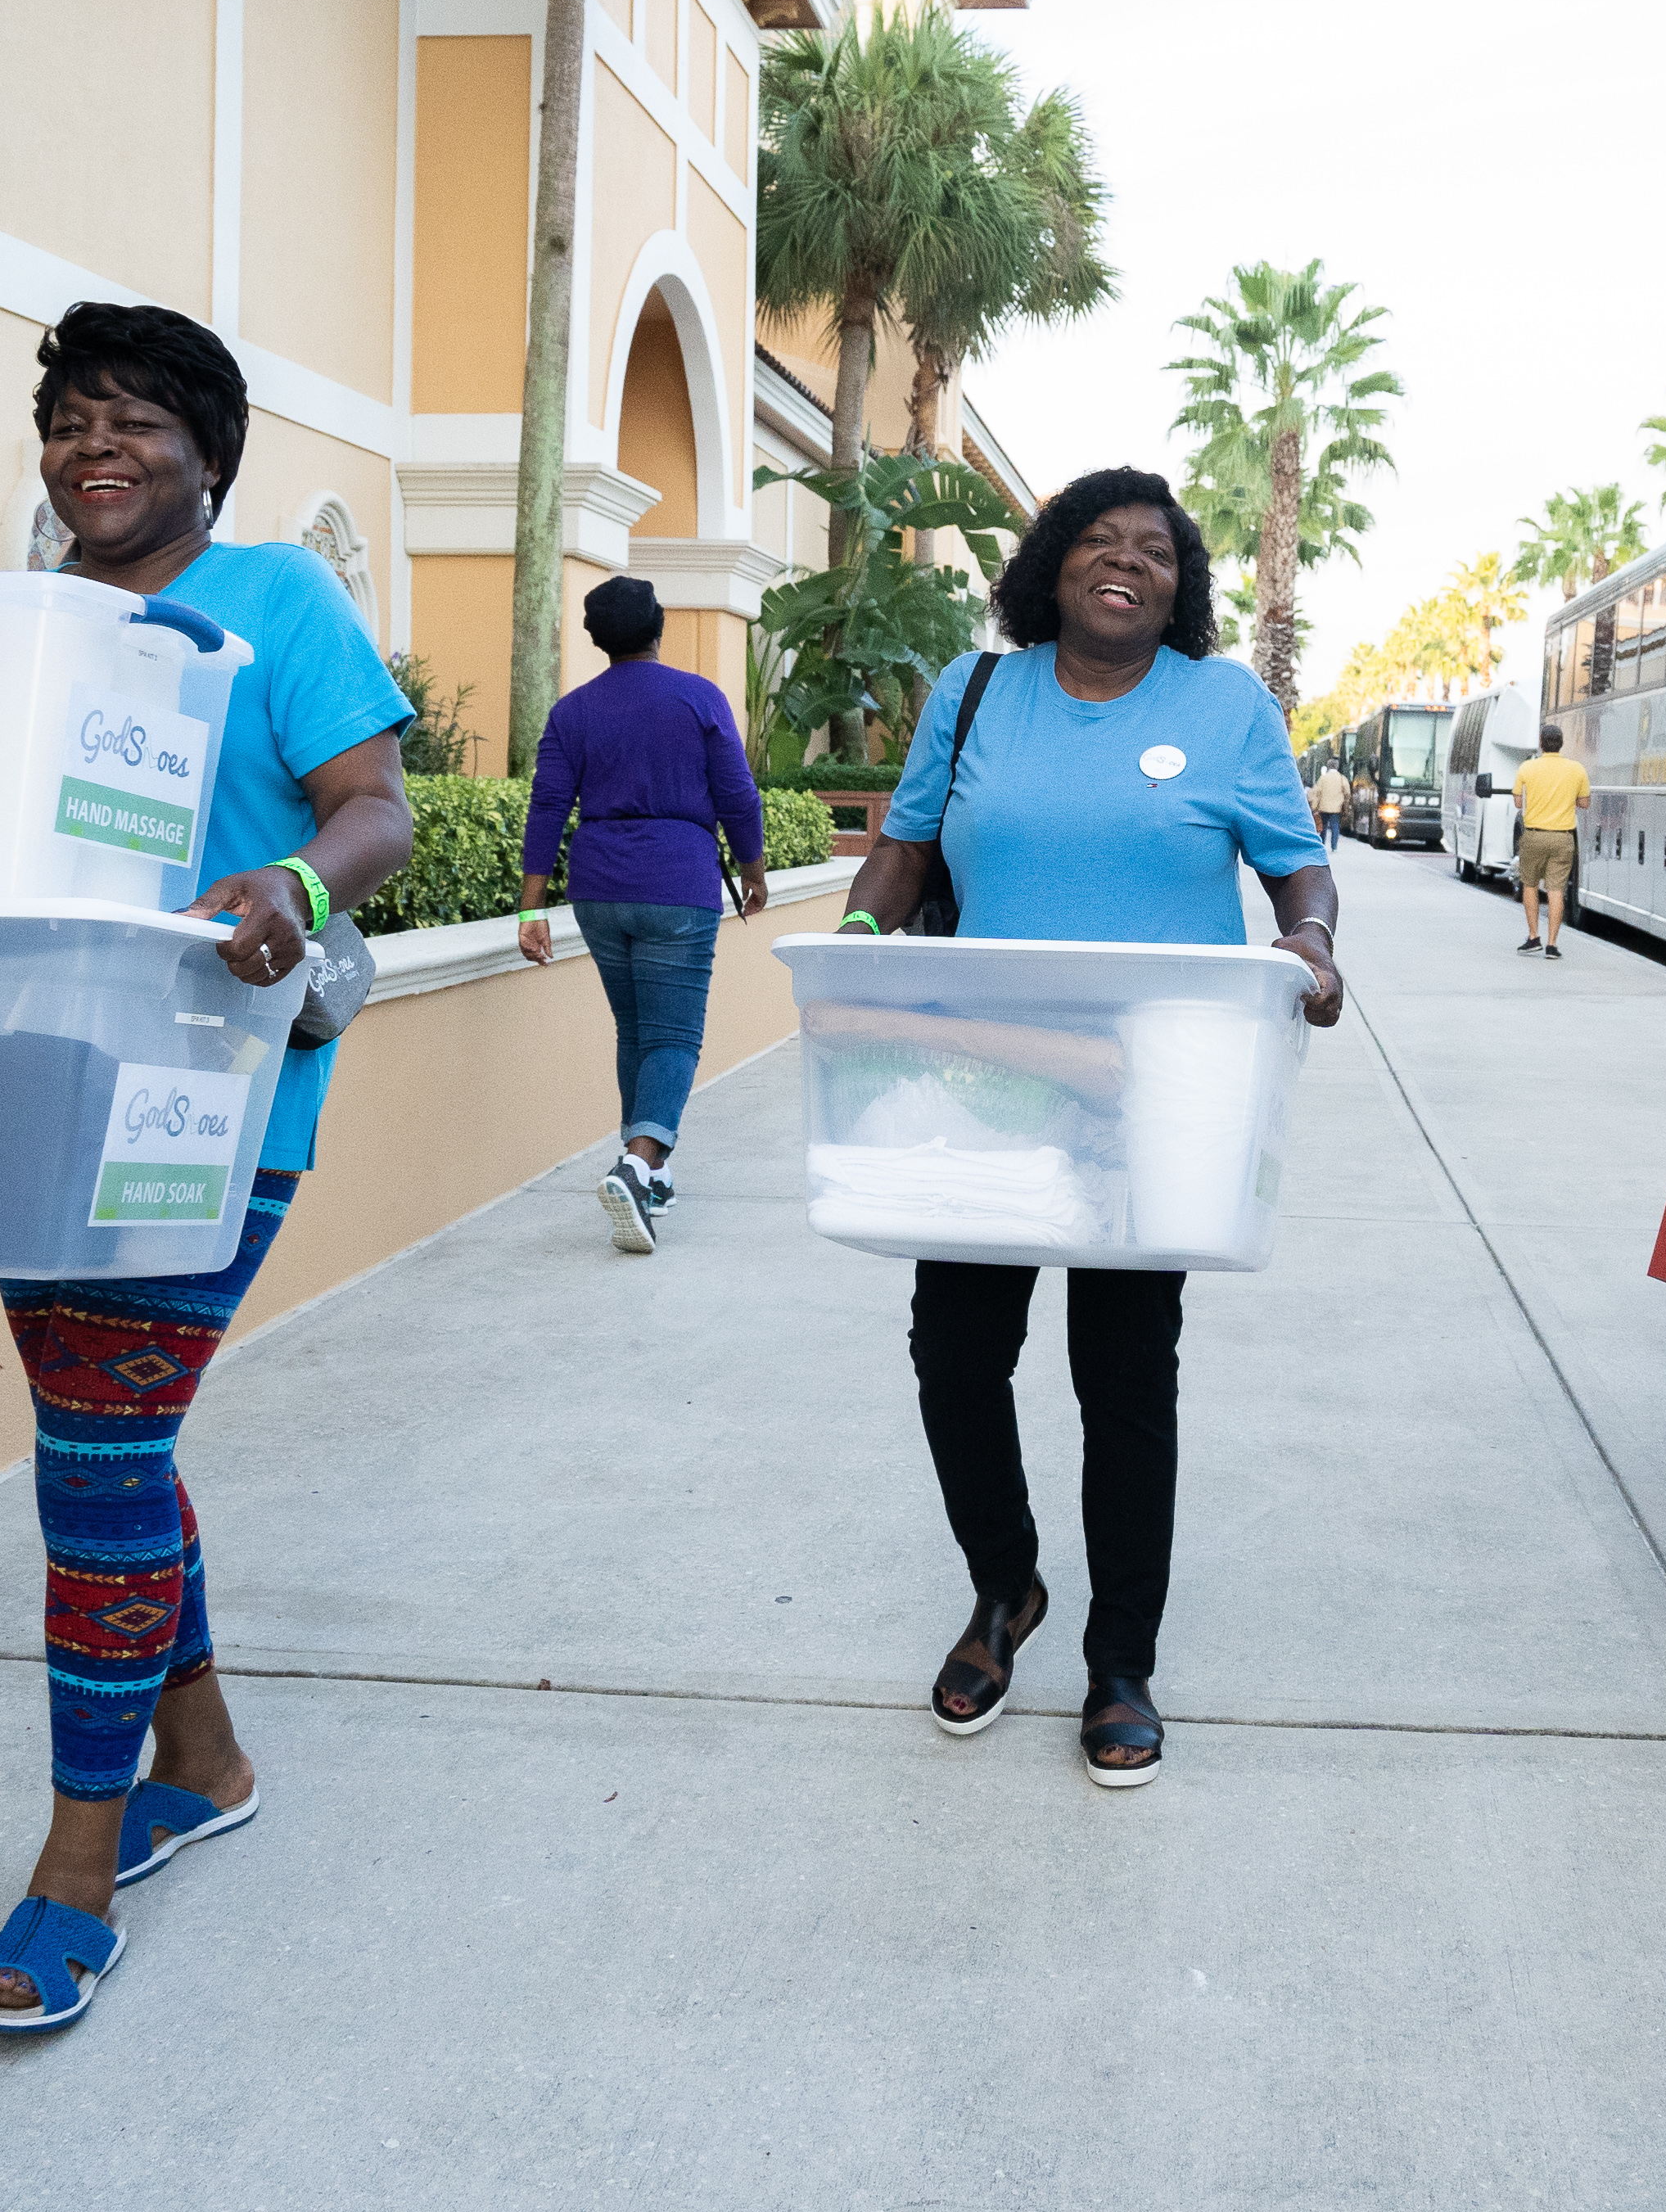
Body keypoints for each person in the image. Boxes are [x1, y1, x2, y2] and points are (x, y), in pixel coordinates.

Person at [0, 304, 419, 2034]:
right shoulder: (23, 625)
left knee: (98, 1449)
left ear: (206, 453)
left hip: (209, 1101)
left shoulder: (281, 599)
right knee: (109, 1442)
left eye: (135, 418)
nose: (97, 443)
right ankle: (202, 1757)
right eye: (72, 416)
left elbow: (378, 805)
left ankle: (76, 1863)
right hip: (33, 1081)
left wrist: (293, 880)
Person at [834, 467, 1343, 1790]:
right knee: (954, 1352)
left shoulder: (1226, 707)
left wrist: (1313, 942)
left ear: (1183, 587)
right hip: (981, 1082)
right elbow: (903, 847)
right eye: (1101, 543)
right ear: (1052, 564)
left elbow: (1297, 866)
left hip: (1157, 1100)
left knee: (1124, 1381)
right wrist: (855, 944)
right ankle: (1006, 1590)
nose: (1129, 564)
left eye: (1158, 552)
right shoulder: (979, 690)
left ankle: (1123, 1663)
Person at [516, 574, 768, 1253]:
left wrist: (530, 911)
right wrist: (752, 868)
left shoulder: (573, 711)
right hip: (677, 882)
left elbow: (546, 806)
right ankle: (636, 1164)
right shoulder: (698, 697)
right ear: (659, 626)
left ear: (598, 639)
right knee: (675, 1035)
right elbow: (738, 796)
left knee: (635, 1030)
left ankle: (651, 1178)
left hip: (597, 887)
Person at [1510, 721, 1588, 956]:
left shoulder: (1527, 768)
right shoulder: (1577, 769)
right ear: (1561, 744)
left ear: (1541, 744)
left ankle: (1534, 937)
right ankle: (1552, 945)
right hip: (1563, 838)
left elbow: (1518, 802)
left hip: (1534, 836)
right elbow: (1584, 803)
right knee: (1556, 890)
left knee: (1530, 886)